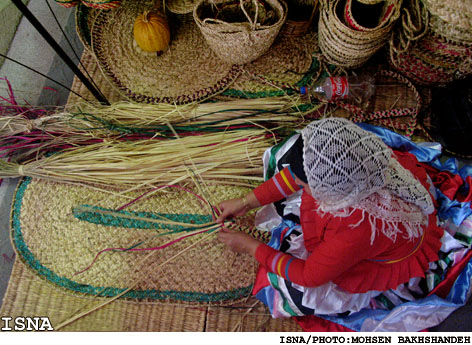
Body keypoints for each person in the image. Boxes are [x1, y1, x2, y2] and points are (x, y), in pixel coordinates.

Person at [216, 117, 444, 317]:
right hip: (365, 223)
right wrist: (246, 202)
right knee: (288, 161)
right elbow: (297, 176)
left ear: (332, 190)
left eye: (306, 183)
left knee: (301, 295)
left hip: (381, 247)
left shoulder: (354, 230)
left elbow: (309, 276)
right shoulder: (356, 159)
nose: (300, 185)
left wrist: (250, 247)